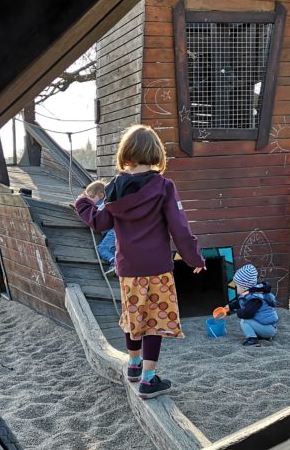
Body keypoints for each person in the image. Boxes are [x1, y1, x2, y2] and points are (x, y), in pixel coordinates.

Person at [75, 125, 205, 399]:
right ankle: (148, 380)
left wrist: (82, 204)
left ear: (126, 153)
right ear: (155, 153)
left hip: (128, 268)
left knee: (134, 315)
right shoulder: (164, 186)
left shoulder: (113, 188)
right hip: (157, 267)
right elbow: (179, 228)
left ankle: (133, 365)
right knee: (155, 320)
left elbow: (100, 222)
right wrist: (194, 258)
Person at [226, 264, 279, 347]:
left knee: (244, 321)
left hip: (268, 330)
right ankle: (261, 336)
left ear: (244, 287)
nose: (236, 288)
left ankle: (252, 339)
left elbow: (247, 313)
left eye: (237, 286)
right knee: (250, 319)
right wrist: (229, 307)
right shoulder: (255, 292)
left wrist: (238, 312)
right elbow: (241, 302)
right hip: (270, 327)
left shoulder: (254, 298)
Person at [84, 180, 117, 274]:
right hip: (118, 231)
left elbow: (92, 218)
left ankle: (114, 262)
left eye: (91, 197)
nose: (90, 200)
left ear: (101, 195)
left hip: (114, 231)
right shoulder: (106, 204)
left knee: (102, 248)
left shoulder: (101, 205)